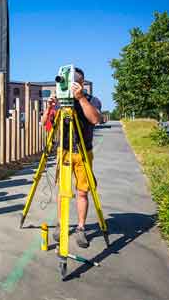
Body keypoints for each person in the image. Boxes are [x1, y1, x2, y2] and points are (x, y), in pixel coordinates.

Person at [41, 67, 102, 248]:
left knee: (82, 192)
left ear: (82, 82)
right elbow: (45, 124)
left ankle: (81, 228)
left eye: (75, 80)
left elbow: (95, 119)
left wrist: (81, 98)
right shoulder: (61, 103)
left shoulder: (92, 100)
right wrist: (50, 107)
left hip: (83, 152)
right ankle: (62, 224)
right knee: (63, 193)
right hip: (65, 151)